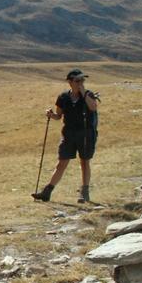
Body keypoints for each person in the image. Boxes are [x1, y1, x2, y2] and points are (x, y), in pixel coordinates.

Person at [32, 68, 100, 203]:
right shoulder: (63, 97)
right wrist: (51, 115)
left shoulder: (88, 95)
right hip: (68, 134)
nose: (81, 83)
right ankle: (47, 192)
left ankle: (84, 193)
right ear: (70, 82)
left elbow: (93, 107)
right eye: (77, 80)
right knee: (62, 162)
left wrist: (83, 93)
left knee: (84, 162)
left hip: (86, 134)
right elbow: (59, 116)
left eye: (82, 80)